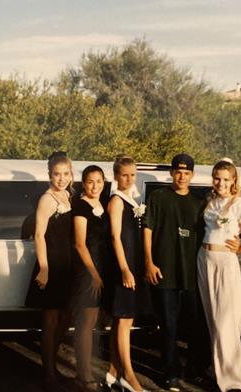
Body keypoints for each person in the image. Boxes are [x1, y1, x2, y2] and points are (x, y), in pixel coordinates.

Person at [143, 153, 210, 392]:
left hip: (192, 275)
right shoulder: (158, 197)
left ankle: (195, 370)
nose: (182, 176)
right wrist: (149, 262)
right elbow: (147, 230)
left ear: (192, 175)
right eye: (178, 172)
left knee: (195, 328)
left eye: (187, 172)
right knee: (168, 327)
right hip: (164, 274)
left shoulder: (199, 203)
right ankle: (170, 374)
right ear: (172, 173)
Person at [197, 159, 241, 392]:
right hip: (204, 259)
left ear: (233, 181)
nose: (220, 183)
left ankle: (235, 381)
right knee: (212, 319)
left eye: (225, 179)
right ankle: (217, 370)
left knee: (226, 321)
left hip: (225, 262)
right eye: (217, 178)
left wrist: (236, 249)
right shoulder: (210, 202)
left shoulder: (239, 204)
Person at [25, 151, 74, 391]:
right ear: (49, 175)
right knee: (51, 321)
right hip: (51, 263)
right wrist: (44, 268)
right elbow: (38, 235)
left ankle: (52, 365)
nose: (61, 178)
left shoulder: (68, 195)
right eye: (57, 174)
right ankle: (49, 375)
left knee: (66, 316)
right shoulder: (46, 199)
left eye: (65, 174)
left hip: (66, 264)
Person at [105, 155, 152, 392]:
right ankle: (129, 376)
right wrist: (125, 269)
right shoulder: (116, 201)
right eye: (124, 175)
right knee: (124, 321)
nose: (129, 179)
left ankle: (113, 371)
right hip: (123, 268)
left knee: (121, 320)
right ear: (116, 176)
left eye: (132, 174)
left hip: (132, 264)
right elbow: (115, 237)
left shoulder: (131, 199)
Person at [72, 165, 110, 391]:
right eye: (90, 181)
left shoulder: (103, 204)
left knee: (93, 320)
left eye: (99, 181)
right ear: (83, 184)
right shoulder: (80, 206)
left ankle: (84, 371)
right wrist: (94, 274)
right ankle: (83, 375)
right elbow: (80, 244)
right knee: (85, 323)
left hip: (101, 269)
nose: (95, 186)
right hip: (87, 272)